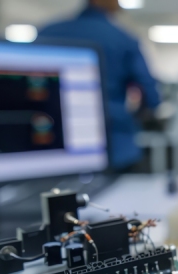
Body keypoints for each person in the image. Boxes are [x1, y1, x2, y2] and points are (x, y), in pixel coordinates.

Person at [38, 0, 161, 171]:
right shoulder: (123, 39)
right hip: (114, 145)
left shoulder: (47, 32)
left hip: (54, 144)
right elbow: (151, 95)